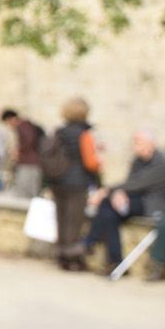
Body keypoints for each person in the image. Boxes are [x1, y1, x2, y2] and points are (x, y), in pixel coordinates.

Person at [83, 130, 165, 277]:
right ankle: (115, 261)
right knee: (109, 213)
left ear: (151, 143)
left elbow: (138, 183)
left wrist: (107, 191)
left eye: (138, 142)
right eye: (134, 142)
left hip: (152, 205)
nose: (135, 146)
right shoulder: (137, 161)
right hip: (136, 200)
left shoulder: (160, 162)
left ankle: (90, 241)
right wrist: (119, 193)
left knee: (107, 203)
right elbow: (130, 184)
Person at [50, 96, 103, 272]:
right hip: (77, 182)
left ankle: (61, 255)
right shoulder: (84, 133)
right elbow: (90, 162)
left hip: (58, 181)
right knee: (74, 221)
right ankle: (72, 258)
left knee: (61, 219)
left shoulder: (59, 132)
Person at [4, 108, 46, 199]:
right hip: (32, 162)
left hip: (28, 162)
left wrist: (18, 151)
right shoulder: (28, 125)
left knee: (26, 191)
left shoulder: (23, 126)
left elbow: (29, 140)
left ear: (11, 119)